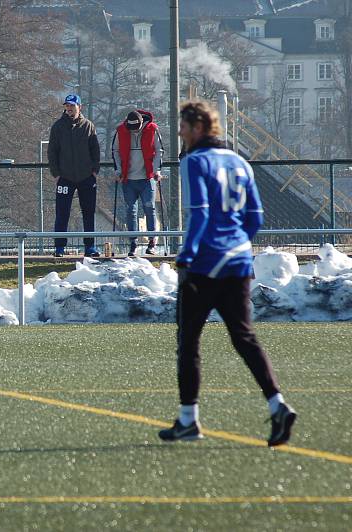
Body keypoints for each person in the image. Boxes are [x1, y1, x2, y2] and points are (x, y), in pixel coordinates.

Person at [159, 99, 296, 446]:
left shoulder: (194, 161)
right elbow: (256, 218)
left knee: (188, 341)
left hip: (206, 264)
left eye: (184, 126)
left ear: (199, 128)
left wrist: (187, 255)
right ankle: (277, 404)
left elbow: (200, 215)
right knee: (244, 337)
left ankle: (188, 420)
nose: (179, 132)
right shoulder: (240, 161)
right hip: (238, 262)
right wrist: (236, 245)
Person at [47, 94, 101, 257]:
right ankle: (59, 247)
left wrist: (94, 171)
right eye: (67, 107)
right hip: (65, 178)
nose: (69, 109)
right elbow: (52, 151)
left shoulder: (88, 126)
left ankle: (90, 247)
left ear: (80, 107)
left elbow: (95, 150)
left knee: (88, 212)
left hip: (86, 177)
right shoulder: (58, 126)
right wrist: (56, 173)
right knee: (62, 213)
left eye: (72, 106)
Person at [111, 109, 164, 256]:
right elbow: (115, 151)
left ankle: (152, 242)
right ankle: (133, 243)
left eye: (136, 128)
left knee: (149, 208)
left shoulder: (152, 129)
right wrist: (118, 170)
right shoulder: (120, 130)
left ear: (142, 123)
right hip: (128, 179)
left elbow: (159, 150)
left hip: (147, 178)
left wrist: (156, 170)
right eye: (131, 128)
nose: (133, 131)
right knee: (130, 210)